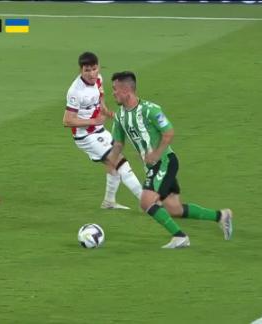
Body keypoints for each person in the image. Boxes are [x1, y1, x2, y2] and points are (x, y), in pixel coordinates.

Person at [109, 71, 233, 248]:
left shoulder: (150, 109)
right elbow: (119, 143)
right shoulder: (120, 116)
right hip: (153, 165)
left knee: (146, 202)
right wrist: (111, 162)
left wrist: (156, 154)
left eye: (115, 89)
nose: (113, 93)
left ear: (127, 89)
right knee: (174, 209)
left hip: (165, 161)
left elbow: (169, 132)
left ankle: (180, 237)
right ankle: (221, 216)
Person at [63, 52, 142, 209]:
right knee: (120, 162)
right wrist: (94, 120)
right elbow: (67, 121)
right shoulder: (76, 91)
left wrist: (107, 112)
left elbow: (100, 99)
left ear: (98, 66)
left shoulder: (98, 79)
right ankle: (148, 202)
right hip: (86, 135)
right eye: (87, 70)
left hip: (98, 130)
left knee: (111, 163)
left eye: (94, 68)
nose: (92, 74)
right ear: (81, 70)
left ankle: (109, 202)